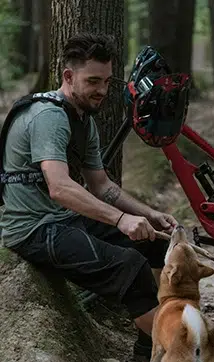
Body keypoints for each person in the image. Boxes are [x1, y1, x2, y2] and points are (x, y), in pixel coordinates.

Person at [0, 32, 178, 361]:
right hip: (34, 229)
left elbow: (102, 186)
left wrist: (149, 214)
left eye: (107, 82)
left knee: (156, 245)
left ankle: (146, 348)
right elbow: (60, 187)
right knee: (131, 266)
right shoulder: (49, 118)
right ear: (69, 76)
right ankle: (174, 350)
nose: (102, 91)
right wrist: (122, 220)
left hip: (62, 220)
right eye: (93, 81)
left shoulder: (84, 120)